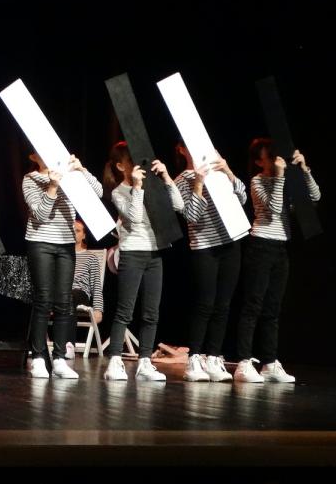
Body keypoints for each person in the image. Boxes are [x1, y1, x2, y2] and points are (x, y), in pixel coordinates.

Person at [233, 138, 320, 384]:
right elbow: (273, 208)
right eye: (268, 157)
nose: (274, 161)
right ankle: (243, 362)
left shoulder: (285, 181)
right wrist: (280, 176)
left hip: (281, 247)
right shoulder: (258, 181)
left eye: (275, 155)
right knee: (253, 305)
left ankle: (269, 363)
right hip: (261, 245)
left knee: (272, 308)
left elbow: (315, 197)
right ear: (259, 162)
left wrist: (304, 170)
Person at [100, 141, 185, 382]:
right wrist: (137, 186)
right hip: (132, 253)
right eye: (131, 161)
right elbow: (135, 217)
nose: (138, 164)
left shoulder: (153, 185)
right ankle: (114, 361)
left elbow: (179, 205)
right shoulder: (119, 192)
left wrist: (166, 177)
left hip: (155, 253)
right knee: (125, 311)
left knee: (151, 312)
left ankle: (145, 361)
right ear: (121, 166)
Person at [23, 152, 103, 379]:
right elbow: (40, 214)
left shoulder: (68, 175)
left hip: (66, 244)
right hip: (40, 242)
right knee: (43, 299)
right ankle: (39, 358)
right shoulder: (30, 179)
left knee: (64, 300)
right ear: (33, 156)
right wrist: (52, 186)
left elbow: (98, 193)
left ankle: (59, 358)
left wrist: (82, 171)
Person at [173, 141, 248, 383]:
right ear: (181, 149)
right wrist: (198, 183)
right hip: (204, 246)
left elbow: (242, 198)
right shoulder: (180, 180)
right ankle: (195, 357)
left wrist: (227, 170)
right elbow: (192, 216)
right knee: (205, 303)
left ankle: (214, 357)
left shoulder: (218, 173)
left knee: (223, 305)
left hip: (231, 242)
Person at [68, 219, 103, 360]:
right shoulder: (62, 256)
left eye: (77, 231)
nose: (74, 233)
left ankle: (69, 345)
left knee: (69, 297)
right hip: (62, 292)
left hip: (79, 293)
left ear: (83, 235)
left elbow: (96, 285)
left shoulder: (91, 258)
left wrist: (98, 309)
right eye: (71, 230)